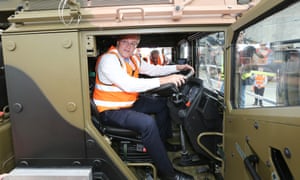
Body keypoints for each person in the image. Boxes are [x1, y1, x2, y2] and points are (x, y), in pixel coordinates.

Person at [93, 34, 194, 180]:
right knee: (147, 123)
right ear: (118, 42)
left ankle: (162, 143)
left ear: (137, 45)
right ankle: (167, 174)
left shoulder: (133, 58)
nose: (129, 46)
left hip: (128, 103)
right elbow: (129, 84)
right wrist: (165, 80)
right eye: (125, 42)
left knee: (161, 104)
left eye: (133, 43)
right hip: (109, 110)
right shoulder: (109, 59)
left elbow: (153, 70)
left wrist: (178, 67)